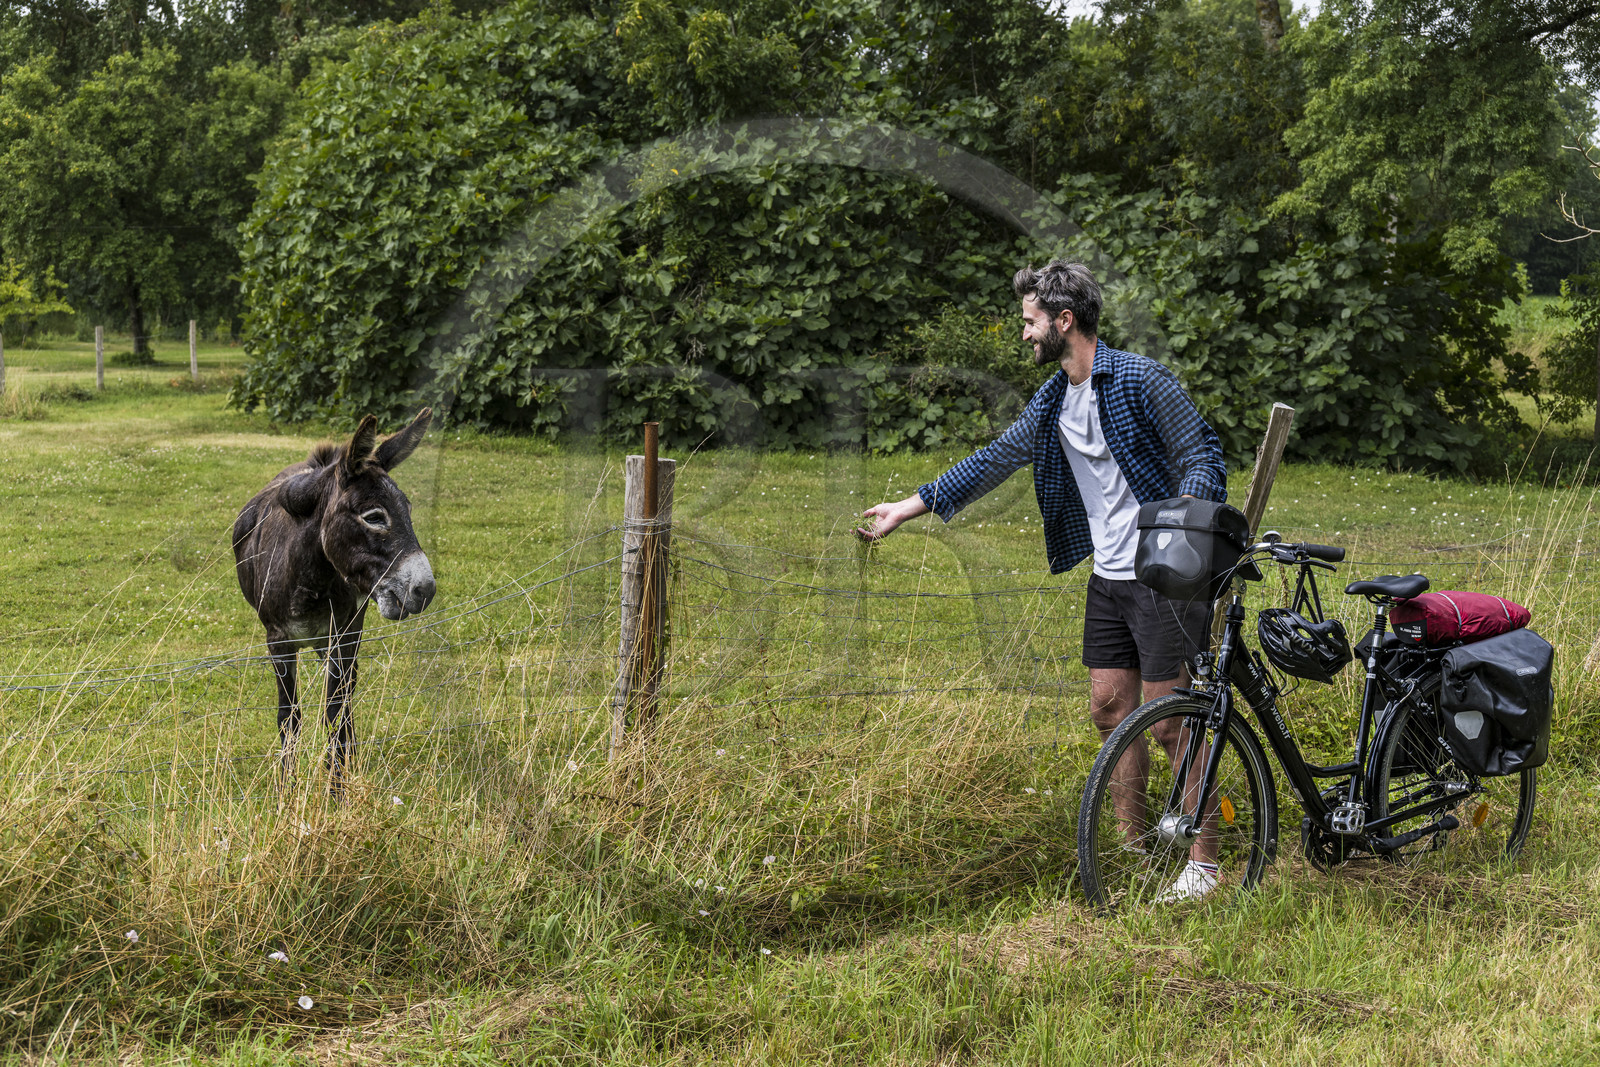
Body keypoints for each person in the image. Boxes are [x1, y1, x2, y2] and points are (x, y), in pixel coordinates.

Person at [858, 259, 1228, 901]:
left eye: (1030, 322)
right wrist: (909, 507)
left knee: (1171, 721)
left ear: (1064, 321)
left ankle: (1206, 860)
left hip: (1164, 577)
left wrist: (1182, 531)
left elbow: (1203, 453)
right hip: (1109, 577)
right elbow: (996, 458)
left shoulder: (1139, 379)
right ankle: (1133, 849)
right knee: (1112, 710)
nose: (1024, 334)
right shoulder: (1055, 397)